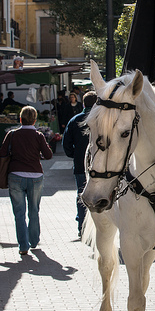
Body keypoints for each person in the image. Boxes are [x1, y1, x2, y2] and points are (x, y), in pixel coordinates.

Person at [0, 105, 53, 255]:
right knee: (34, 210)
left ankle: (23, 246)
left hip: (15, 175)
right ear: (35, 120)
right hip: (35, 176)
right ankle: (34, 240)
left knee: (19, 212)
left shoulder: (12, 135)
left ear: (20, 119)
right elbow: (48, 155)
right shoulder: (38, 136)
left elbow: (2, 153)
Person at [62, 91, 97, 237]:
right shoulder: (101, 118)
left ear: (83, 104)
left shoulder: (74, 120)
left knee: (82, 195)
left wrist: (75, 155)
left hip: (80, 165)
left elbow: (66, 143)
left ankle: (82, 227)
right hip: (100, 166)